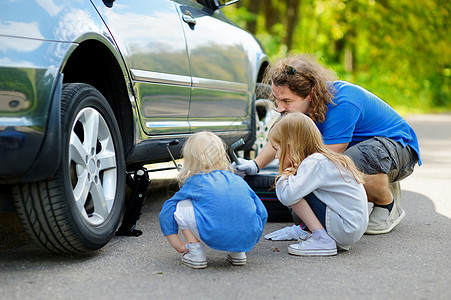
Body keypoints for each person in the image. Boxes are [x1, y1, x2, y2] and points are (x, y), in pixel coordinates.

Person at [235, 53, 421, 236]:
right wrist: (254, 165)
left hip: (397, 149)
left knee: (338, 166)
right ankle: (377, 180)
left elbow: (326, 160)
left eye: (286, 101)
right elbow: (282, 137)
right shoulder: (299, 108)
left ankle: (386, 202)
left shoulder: (343, 102)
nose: (279, 107)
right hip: (365, 152)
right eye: (276, 99)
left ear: (311, 94)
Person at [159, 131, 268, 269]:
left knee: (182, 205)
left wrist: (179, 245)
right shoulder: (237, 179)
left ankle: (195, 252)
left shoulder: (197, 181)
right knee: (236, 207)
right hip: (246, 238)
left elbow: (168, 210)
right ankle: (238, 253)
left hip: (213, 234)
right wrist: (251, 237)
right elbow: (262, 211)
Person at [268, 113, 368, 255]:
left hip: (344, 228)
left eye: (277, 149)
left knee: (293, 189)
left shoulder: (315, 162)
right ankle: (308, 230)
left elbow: (288, 196)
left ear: (290, 145)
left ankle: (322, 238)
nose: (277, 156)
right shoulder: (322, 159)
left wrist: (284, 177)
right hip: (349, 227)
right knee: (300, 185)